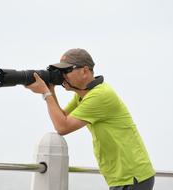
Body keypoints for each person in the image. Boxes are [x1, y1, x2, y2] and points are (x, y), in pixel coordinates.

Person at [26, 48, 155, 190]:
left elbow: (62, 127)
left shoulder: (100, 95)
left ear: (85, 71)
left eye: (67, 71)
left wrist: (45, 92)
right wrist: (50, 90)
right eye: (60, 72)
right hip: (124, 176)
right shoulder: (84, 95)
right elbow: (62, 117)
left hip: (133, 176)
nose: (63, 76)